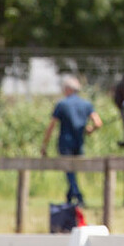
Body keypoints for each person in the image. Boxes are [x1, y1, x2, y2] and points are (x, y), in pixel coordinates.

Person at [41, 75, 103, 206]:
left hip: (65, 142)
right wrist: (90, 129)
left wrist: (44, 144)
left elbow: (51, 126)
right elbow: (98, 122)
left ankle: (78, 196)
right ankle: (69, 198)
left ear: (68, 89)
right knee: (72, 170)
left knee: (69, 170)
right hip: (79, 142)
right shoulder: (86, 104)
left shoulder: (62, 104)